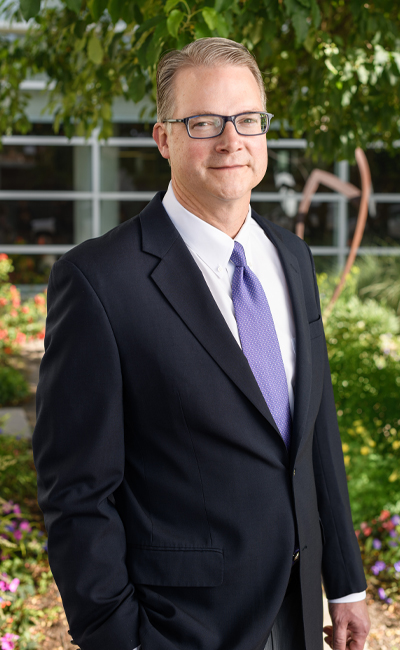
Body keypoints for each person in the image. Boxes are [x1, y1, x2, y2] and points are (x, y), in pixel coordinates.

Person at [32, 38, 370, 650]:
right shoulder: (100, 281)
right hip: (181, 627)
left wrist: (344, 584)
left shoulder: (291, 257)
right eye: (204, 122)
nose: (230, 140)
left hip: (300, 618)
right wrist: (120, 638)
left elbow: (316, 429)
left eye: (246, 119)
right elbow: (77, 492)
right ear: (164, 138)